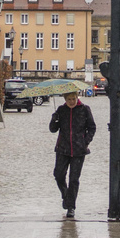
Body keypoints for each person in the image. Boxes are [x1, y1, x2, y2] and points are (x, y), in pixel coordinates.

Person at [49, 90, 96, 218]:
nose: (71, 101)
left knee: (74, 179)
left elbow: (92, 127)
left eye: (73, 99)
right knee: (58, 174)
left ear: (77, 98)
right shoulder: (61, 110)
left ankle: (71, 207)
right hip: (62, 149)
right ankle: (66, 196)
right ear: (65, 99)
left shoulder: (84, 109)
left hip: (78, 150)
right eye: (69, 99)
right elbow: (53, 129)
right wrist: (54, 119)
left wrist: (85, 141)